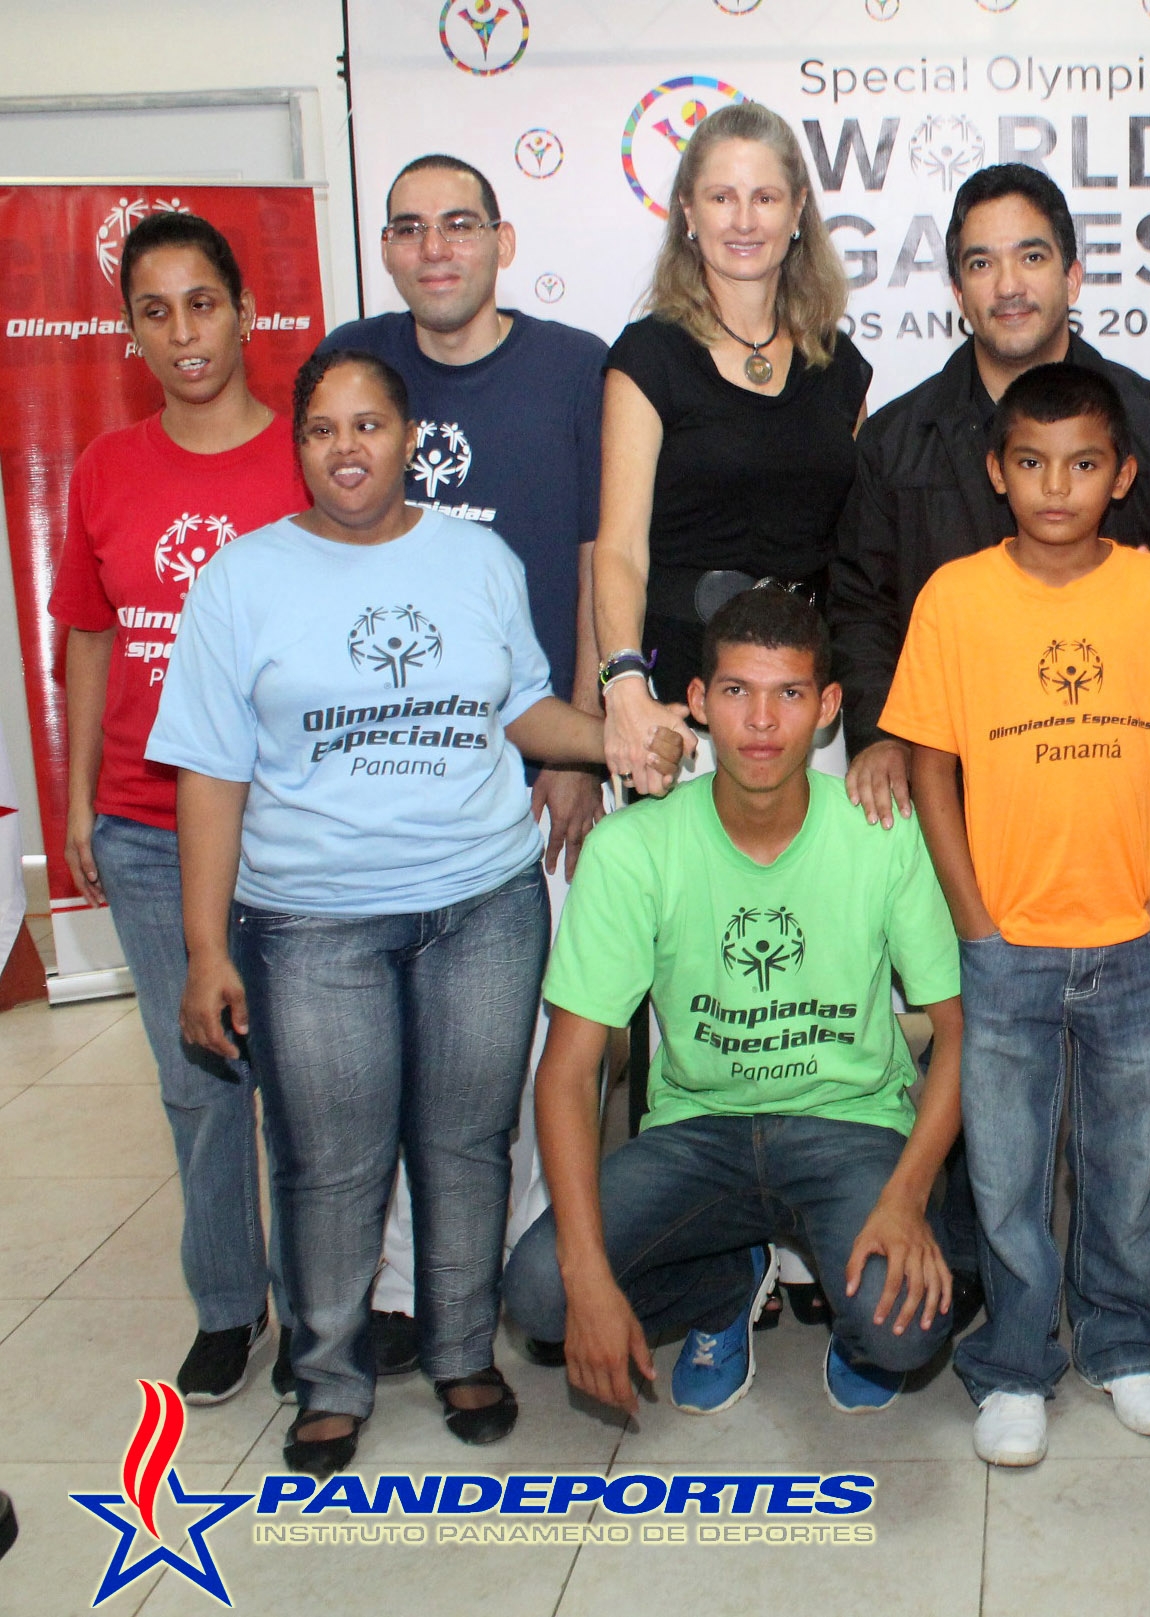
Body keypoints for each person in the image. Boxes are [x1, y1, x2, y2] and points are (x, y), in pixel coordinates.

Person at [148, 350, 678, 1478]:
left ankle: (460, 1353)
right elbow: (210, 774)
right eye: (322, 429)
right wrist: (203, 948)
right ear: (299, 446)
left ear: (407, 438)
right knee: (328, 1162)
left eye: (370, 425)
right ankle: (330, 1379)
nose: (346, 448)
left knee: (468, 1145)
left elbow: (522, 709)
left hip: (482, 904)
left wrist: (618, 740)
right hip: (310, 923)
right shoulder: (241, 580)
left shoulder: (477, 559)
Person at [831, 160, 1150, 1340]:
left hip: (1107, 831)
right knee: (992, 1083)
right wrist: (882, 732)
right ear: (955, 284)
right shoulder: (900, 435)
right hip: (970, 813)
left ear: (1073, 269)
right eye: (981, 261)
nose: (1009, 282)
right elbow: (861, 596)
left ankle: (1130, 1284)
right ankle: (992, 1288)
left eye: (1032, 255)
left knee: (1125, 1104)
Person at [503, 585, 962, 1421]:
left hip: (850, 1124)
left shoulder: (883, 832)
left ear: (828, 707)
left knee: (901, 1327)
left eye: (789, 693)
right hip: (698, 1130)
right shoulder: (631, 847)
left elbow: (964, 1037)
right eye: (737, 691)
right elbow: (566, 1072)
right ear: (697, 700)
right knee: (540, 1292)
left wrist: (905, 1199)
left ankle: (853, 1316)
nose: (760, 721)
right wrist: (586, 1272)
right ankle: (725, 1284)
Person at [883, 362, 1150, 1467]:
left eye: (1082, 464)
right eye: (1031, 463)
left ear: (1122, 475)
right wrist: (972, 914)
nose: (1056, 487)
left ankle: (1124, 1344)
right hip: (1007, 943)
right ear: (998, 471)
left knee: (1127, 1160)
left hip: (1132, 938)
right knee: (1006, 1170)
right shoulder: (955, 597)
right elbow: (930, 766)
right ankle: (1016, 1362)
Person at [322, 151, 610, 1377]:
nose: (434, 248)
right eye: (409, 229)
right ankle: (402, 1289)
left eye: (458, 224)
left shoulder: (576, 367)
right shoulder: (353, 360)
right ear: (387, 249)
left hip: (538, 762)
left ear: (502, 238)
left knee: (541, 1038)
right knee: (402, 1052)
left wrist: (580, 742)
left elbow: (602, 556)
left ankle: (533, 1268)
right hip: (395, 769)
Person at [48, 210, 303, 1405]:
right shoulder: (105, 469)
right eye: (155, 312)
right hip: (148, 831)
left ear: (245, 312)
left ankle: (321, 1305)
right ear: (131, 333)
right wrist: (80, 801)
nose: (184, 333)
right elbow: (90, 637)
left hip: (289, 824)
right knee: (199, 1081)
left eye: (203, 303)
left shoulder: (306, 456)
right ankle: (226, 1305)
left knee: (307, 1083)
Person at [596, 99, 869, 795]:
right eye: (722, 197)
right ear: (688, 212)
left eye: (765, 198)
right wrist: (623, 683)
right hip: (677, 711)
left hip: (808, 706)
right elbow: (620, 549)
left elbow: (859, 553)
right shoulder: (649, 357)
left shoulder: (839, 366)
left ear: (798, 211)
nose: (744, 220)